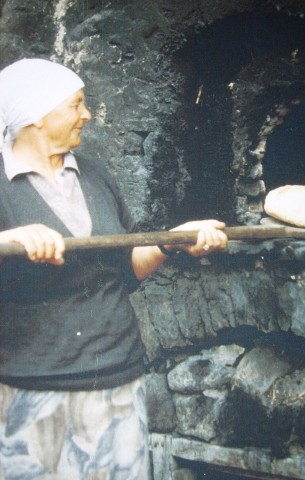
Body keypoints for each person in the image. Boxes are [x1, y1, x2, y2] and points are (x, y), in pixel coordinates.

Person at [0, 58, 228, 479]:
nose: (86, 115)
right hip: (32, 388)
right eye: (76, 105)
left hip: (116, 379)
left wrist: (170, 240)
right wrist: (7, 241)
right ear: (35, 115)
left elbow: (126, 269)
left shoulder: (94, 176)